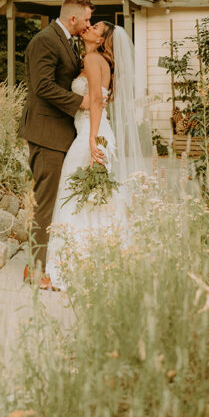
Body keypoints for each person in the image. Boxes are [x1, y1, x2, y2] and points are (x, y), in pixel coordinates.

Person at [45, 21, 155, 291]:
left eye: (95, 27)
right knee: (92, 198)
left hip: (91, 133)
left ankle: (70, 265)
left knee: (75, 194)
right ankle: (100, 259)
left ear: (102, 39)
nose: (89, 27)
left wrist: (93, 140)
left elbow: (95, 100)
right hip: (94, 130)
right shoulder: (94, 60)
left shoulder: (94, 59)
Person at [18, 0, 104, 288]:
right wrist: (79, 102)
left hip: (60, 133)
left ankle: (39, 264)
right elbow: (41, 85)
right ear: (73, 18)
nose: (89, 24)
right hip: (46, 132)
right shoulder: (45, 40)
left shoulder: (66, 40)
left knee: (52, 201)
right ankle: (36, 269)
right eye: (87, 19)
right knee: (45, 202)